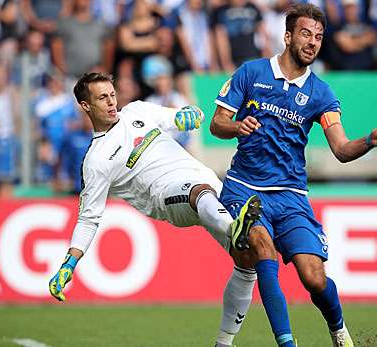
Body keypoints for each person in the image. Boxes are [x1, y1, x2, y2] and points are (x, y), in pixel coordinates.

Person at [209, 4, 377, 347]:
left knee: (314, 278)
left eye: (319, 37)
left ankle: (338, 328)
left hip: (291, 195)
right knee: (263, 248)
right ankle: (287, 343)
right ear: (288, 36)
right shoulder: (250, 73)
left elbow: (340, 149)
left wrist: (369, 141)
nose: (313, 42)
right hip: (245, 189)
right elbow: (217, 124)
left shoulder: (321, 93)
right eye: (306, 34)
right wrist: (237, 126)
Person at [47, 72, 262, 347]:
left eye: (112, 94)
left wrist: (190, 115)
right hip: (167, 196)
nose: (112, 102)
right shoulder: (96, 160)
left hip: (206, 179)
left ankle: (223, 343)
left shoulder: (137, 110)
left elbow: (183, 116)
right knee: (201, 193)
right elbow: (89, 219)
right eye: (102, 98)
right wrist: (69, 263)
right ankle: (235, 228)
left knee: (248, 262)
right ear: (86, 105)